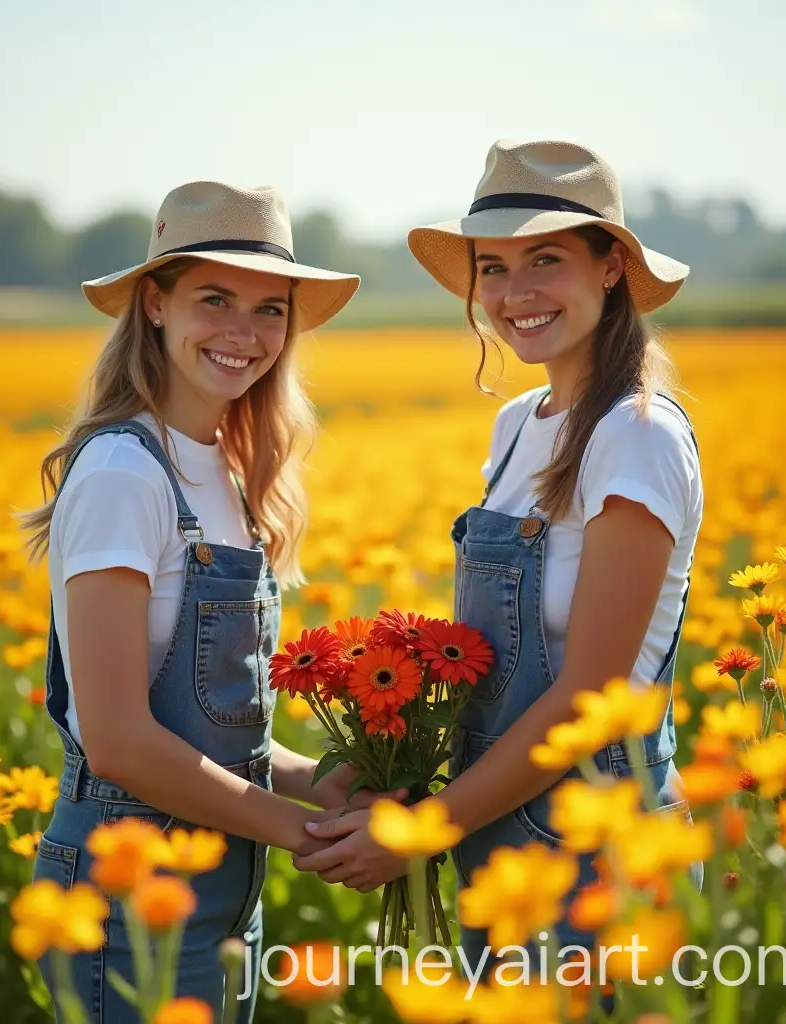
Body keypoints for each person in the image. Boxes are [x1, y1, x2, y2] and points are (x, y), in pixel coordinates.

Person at [296, 140, 704, 979]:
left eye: (545, 260)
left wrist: (422, 829)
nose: (514, 294)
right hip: (498, 822)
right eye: (493, 266)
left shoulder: (636, 435)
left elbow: (589, 695)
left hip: (597, 842)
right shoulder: (519, 423)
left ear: (612, 269)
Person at [22, 180, 396, 1022]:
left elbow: (205, 732)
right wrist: (307, 835)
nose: (244, 332)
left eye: (270, 308)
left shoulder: (228, 472)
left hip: (222, 884)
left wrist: (323, 782)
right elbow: (117, 740)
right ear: (154, 305)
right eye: (214, 299)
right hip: (129, 884)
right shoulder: (125, 472)